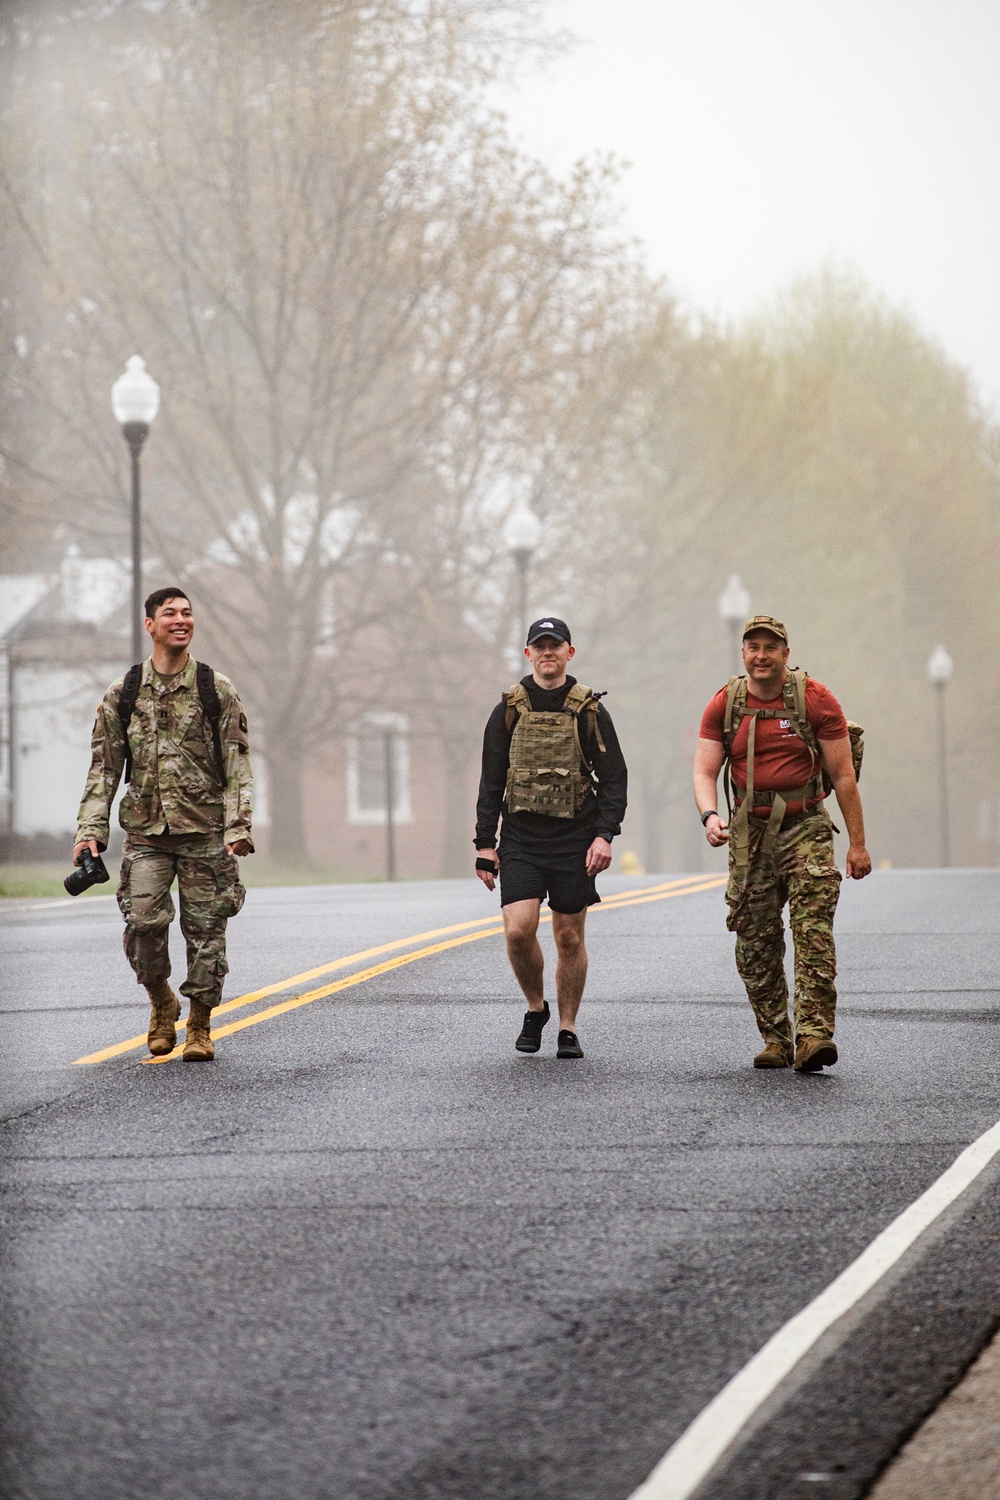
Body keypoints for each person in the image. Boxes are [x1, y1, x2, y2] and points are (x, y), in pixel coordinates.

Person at [73, 587, 254, 1061]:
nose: (181, 620)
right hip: (146, 835)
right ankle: (160, 1001)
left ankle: (198, 1024)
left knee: (206, 931)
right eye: (169, 613)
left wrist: (238, 826)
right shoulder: (124, 692)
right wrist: (91, 831)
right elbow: (105, 769)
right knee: (142, 924)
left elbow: (237, 766)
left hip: (205, 833)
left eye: (187, 613)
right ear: (149, 625)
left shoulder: (217, 689)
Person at [693, 614, 871, 1072]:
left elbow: (843, 775)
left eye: (771, 648)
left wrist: (857, 845)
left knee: (812, 931)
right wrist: (710, 814)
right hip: (748, 834)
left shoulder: (815, 698)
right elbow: (704, 770)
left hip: (805, 824)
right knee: (755, 940)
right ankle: (775, 1038)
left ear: (786, 654)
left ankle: (812, 1035)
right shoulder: (724, 704)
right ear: (744, 654)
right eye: (753, 647)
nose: (761, 655)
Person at [475, 617, 627, 1059]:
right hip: (521, 838)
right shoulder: (508, 710)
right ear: (528, 654)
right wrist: (486, 844)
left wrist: (604, 835)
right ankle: (535, 1007)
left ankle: (567, 1026)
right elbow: (491, 780)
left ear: (569, 653)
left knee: (569, 938)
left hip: (574, 840)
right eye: (539, 646)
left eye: (555, 646)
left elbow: (614, 777)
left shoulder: (589, 711)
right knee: (518, 931)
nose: (547, 653)